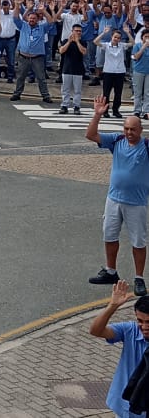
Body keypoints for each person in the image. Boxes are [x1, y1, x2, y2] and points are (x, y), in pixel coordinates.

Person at [87, 95, 149, 296]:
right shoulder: (117, 140)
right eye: (126, 129)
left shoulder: (146, 146)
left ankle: (139, 277)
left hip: (137, 202)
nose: (129, 133)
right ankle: (110, 271)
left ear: (140, 130)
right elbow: (91, 135)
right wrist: (97, 115)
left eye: (133, 129)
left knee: (138, 241)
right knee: (110, 235)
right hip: (114, 199)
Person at [88, 280, 149, 418]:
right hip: (125, 409)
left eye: (148, 322)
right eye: (140, 321)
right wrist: (113, 306)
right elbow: (96, 330)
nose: (144, 327)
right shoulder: (130, 330)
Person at [9, 2, 56, 104]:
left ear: (37, 20)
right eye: (30, 18)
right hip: (23, 57)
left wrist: (44, 11)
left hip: (37, 58)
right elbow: (15, 18)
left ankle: (46, 96)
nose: (31, 20)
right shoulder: (23, 26)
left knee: (41, 78)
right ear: (27, 19)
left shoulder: (42, 28)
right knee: (20, 77)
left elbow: (51, 22)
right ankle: (17, 94)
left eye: (34, 18)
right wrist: (17, 5)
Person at [59, 23, 89, 115]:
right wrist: (69, 41)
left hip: (78, 69)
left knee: (77, 90)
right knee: (65, 89)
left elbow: (84, 52)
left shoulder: (83, 42)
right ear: (72, 31)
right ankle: (64, 105)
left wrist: (77, 42)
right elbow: (61, 51)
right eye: (76, 31)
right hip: (67, 68)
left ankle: (77, 106)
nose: (78, 32)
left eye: (80, 31)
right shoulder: (65, 41)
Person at [134, 31, 149, 120]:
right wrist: (144, 46)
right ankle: (137, 110)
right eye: (145, 36)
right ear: (142, 37)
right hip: (139, 71)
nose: (147, 38)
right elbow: (136, 57)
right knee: (138, 92)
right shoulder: (137, 46)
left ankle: (146, 111)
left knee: (147, 93)